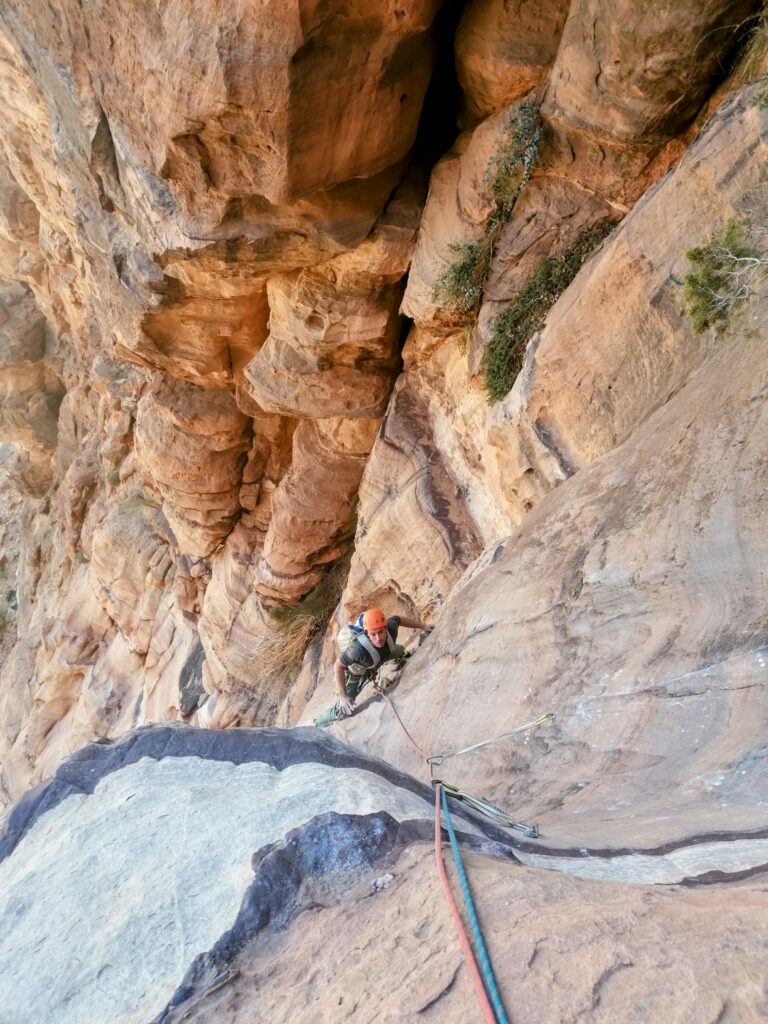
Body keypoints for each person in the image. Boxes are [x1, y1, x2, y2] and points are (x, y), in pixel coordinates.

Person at [314, 607, 431, 727]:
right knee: (342, 712)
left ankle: (399, 656)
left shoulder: (391, 627)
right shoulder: (357, 650)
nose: (378, 638)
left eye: (380, 632)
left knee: (399, 651)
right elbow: (338, 665)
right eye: (373, 634)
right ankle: (316, 724)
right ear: (367, 634)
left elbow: (398, 619)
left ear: (385, 628)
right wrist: (343, 697)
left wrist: (423, 627)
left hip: (385, 655)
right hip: (357, 673)